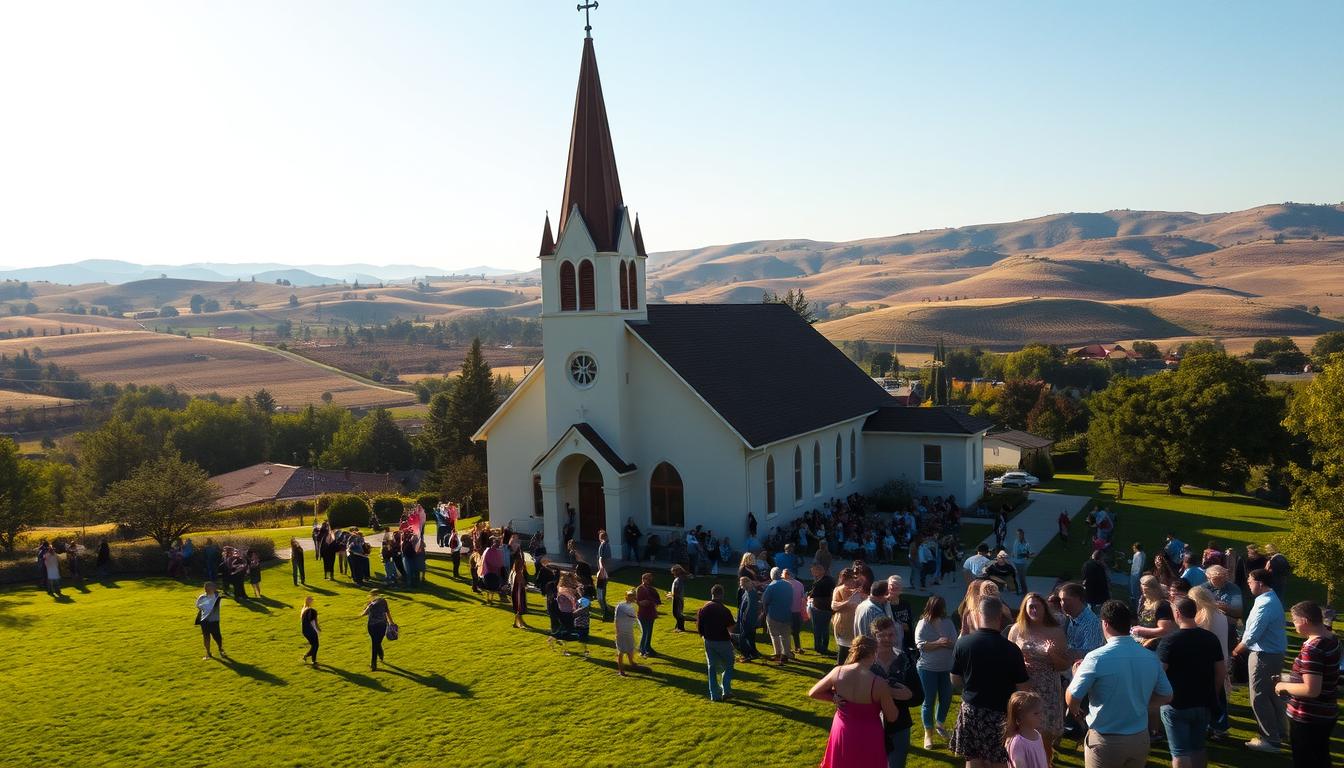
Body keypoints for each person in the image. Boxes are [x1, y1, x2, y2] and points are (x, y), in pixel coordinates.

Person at [1066, 600, 1173, 768]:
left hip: (1106, 740)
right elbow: (1166, 695)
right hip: (1139, 738)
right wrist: (1141, 703)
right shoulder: (1150, 657)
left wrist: (1076, 677)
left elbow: (1073, 696)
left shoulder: (1096, 657)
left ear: (1105, 623)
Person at [950, 596, 1029, 767]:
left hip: (971, 711)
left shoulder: (963, 644)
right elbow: (1023, 688)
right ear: (1000, 617)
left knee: (973, 759)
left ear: (978, 615)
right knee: (999, 761)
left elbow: (955, 679)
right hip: (1000, 714)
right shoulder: (1011, 649)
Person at [810, 636, 900, 768]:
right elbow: (892, 716)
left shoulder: (838, 671)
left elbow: (813, 692)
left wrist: (833, 698)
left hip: (842, 730)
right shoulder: (879, 683)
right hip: (868, 735)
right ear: (874, 654)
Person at [1155, 597, 1223, 768]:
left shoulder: (1170, 641)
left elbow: (1159, 673)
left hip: (1176, 704)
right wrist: (1213, 693)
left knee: (1180, 752)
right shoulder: (1210, 638)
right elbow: (1220, 671)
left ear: (1177, 613)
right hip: (1203, 702)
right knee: (1198, 748)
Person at [1275, 600, 1341, 768]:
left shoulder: (1313, 648)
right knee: (1320, 758)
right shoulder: (1331, 639)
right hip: (1326, 711)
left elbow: (1311, 689)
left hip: (1308, 715)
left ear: (1304, 621)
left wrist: (1283, 686)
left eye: (1295, 621)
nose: (1294, 625)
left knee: (1306, 760)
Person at [1232, 568, 1288, 753]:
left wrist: (1236, 650)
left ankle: (1270, 740)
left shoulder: (1265, 603)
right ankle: (1279, 732)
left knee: (1259, 697)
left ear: (1260, 583)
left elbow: (1252, 635)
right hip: (1272, 653)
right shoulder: (1269, 599)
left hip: (1264, 655)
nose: (1248, 584)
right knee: (1272, 694)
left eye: (1250, 581)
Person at [1007, 592, 1069, 763]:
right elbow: (1008, 657)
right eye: (1030, 607)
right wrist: (1019, 664)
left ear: (1044, 608)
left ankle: (1045, 763)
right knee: (1022, 732)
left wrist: (1051, 655)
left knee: (1044, 735)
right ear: (1025, 610)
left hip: (1047, 688)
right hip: (1024, 686)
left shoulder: (1055, 631)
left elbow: (1064, 665)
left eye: (1037, 606)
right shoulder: (1017, 630)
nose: (1034, 610)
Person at [871, 616, 922, 768]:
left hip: (899, 726)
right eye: (882, 635)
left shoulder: (905, 661)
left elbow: (919, 697)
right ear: (874, 636)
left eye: (891, 635)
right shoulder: (865, 663)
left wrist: (909, 696)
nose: (887, 639)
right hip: (870, 725)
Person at [915, 595, 956, 748]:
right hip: (927, 668)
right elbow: (921, 645)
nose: (942, 610)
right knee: (929, 700)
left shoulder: (948, 622)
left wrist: (945, 643)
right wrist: (939, 643)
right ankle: (928, 733)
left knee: (946, 697)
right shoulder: (923, 623)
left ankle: (940, 723)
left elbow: (955, 643)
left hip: (946, 668)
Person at [697, 583, 736, 701]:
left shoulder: (704, 608)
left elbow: (699, 625)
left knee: (712, 666)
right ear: (722, 595)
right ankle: (726, 689)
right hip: (723, 641)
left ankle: (714, 694)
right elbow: (731, 628)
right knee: (729, 663)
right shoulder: (724, 610)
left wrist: (703, 635)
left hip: (708, 640)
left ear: (712, 594)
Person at [1004, 691, 1050, 768]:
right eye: (1036, 713)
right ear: (1021, 716)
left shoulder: (1037, 734)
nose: (1041, 716)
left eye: (1041, 712)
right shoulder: (1018, 742)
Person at [1131, 574, 1176, 649]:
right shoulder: (1144, 601)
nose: (1143, 593)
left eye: (1146, 591)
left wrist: (1142, 630)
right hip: (1141, 640)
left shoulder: (1162, 605)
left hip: (1156, 645)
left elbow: (1165, 630)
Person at [762, 567, 796, 664]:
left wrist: (765, 611)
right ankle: (785, 654)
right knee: (785, 635)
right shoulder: (789, 585)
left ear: (772, 575)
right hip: (786, 614)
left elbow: (765, 601)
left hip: (773, 614)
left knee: (775, 635)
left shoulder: (771, 586)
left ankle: (777, 654)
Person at [832, 567, 864, 666]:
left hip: (856, 625)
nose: (848, 583)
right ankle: (839, 672)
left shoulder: (860, 591)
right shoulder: (838, 590)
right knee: (843, 650)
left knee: (856, 651)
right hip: (843, 624)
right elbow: (833, 606)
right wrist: (847, 602)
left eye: (851, 580)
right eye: (846, 581)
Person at [360, 590, 392, 671]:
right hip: (382, 625)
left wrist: (367, 606)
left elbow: (364, 613)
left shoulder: (372, 604)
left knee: (375, 643)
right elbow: (387, 612)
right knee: (376, 642)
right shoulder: (383, 601)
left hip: (373, 626)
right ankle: (375, 661)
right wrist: (391, 622)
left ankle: (377, 659)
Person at [809, 563, 835, 655]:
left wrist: (809, 595)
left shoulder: (820, 582)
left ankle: (818, 647)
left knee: (818, 629)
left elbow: (813, 594)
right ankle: (823, 647)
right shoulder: (830, 580)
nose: (812, 573)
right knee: (825, 629)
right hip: (827, 608)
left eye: (813, 571)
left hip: (819, 608)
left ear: (820, 571)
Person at [614, 589, 641, 676]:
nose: (632, 597)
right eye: (630, 596)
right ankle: (621, 671)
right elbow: (616, 619)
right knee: (621, 651)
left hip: (629, 630)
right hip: (621, 631)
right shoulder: (620, 606)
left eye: (633, 596)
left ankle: (631, 662)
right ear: (626, 596)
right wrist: (617, 631)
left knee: (630, 647)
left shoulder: (633, 606)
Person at [737, 575, 763, 662]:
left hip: (748, 621)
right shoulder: (748, 592)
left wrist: (744, 620)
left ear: (747, 584)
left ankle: (746, 655)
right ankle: (754, 654)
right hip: (749, 621)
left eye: (742, 584)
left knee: (742, 638)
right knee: (751, 638)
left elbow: (748, 609)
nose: (740, 586)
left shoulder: (750, 594)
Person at [635, 571, 661, 658]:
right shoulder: (640, 589)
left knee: (649, 632)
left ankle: (648, 647)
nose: (650, 581)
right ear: (643, 579)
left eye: (650, 579)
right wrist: (643, 602)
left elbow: (657, 600)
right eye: (648, 579)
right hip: (643, 614)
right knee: (645, 632)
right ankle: (642, 649)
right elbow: (638, 601)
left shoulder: (652, 589)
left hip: (651, 613)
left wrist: (652, 602)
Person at [196, 581, 224, 659]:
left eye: (209, 588)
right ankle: (208, 652)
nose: (206, 589)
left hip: (214, 620)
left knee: (217, 636)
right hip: (204, 621)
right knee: (206, 636)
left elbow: (222, 596)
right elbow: (198, 605)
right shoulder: (202, 597)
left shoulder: (217, 596)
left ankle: (220, 648)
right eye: (205, 588)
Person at [509, 554, 529, 629]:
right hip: (519, 592)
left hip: (516, 591)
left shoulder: (514, 572)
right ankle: (518, 622)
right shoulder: (518, 573)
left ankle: (518, 622)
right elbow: (522, 583)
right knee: (519, 607)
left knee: (518, 607)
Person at [300, 596, 320, 666]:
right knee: (316, 645)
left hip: (305, 631)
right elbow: (312, 620)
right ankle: (307, 657)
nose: (312, 601)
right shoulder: (310, 610)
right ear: (308, 601)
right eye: (311, 600)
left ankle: (313, 661)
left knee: (314, 645)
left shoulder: (303, 609)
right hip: (311, 630)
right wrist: (317, 628)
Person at [1010, 530, 1032, 595]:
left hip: (1022, 563)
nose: (1018, 536)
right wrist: (1013, 554)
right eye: (1017, 534)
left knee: (1022, 578)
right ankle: (1021, 590)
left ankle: (1024, 591)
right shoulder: (1016, 541)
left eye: (1020, 534)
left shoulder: (1025, 543)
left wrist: (1020, 555)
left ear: (1023, 535)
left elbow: (1028, 554)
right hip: (1015, 562)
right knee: (1018, 577)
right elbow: (1014, 550)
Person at [669, 564, 689, 632]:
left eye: (673, 571)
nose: (672, 573)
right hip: (678, 598)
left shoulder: (678, 579)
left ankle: (680, 628)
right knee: (678, 613)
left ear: (677, 571)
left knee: (677, 614)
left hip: (677, 599)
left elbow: (676, 590)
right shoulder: (679, 579)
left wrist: (673, 595)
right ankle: (679, 627)